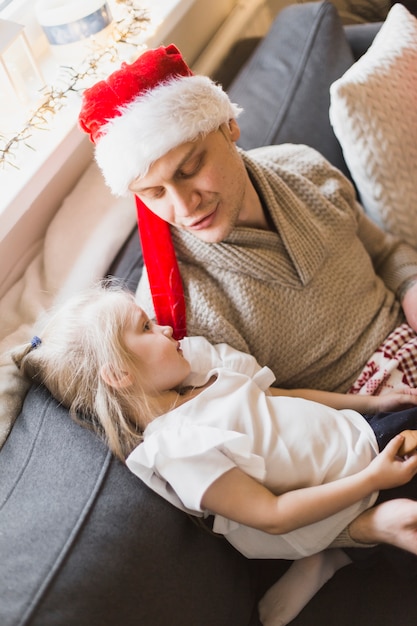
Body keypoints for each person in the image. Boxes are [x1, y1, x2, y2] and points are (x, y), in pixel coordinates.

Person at [11, 283, 417, 625]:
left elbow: (281, 395)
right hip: (352, 485)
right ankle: (338, 546)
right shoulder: (177, 447)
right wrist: (373, 480)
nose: (167, 327)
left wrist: (367, 405)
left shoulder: (198, 369)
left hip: (362, 439)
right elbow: (272, 517)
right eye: (147, 326)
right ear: (119, 374)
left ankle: (340, 551)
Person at [78, 44, 417, 399]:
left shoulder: (304, 167)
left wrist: (409, 286)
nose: (185, 206)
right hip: (368, 417)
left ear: (229, 126)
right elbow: (266, 417)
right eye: (154, 193)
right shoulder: (179, 315)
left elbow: (386, 252)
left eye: (190, 169)